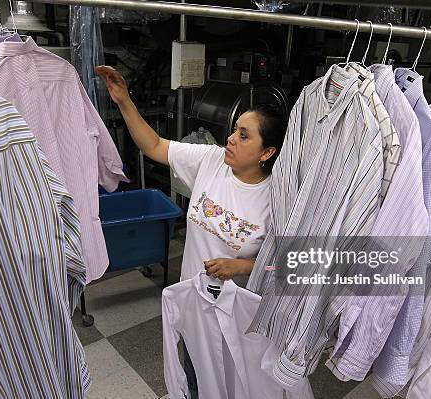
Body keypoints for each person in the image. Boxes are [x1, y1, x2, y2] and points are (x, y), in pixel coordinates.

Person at [95, 65, 287, 396]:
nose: (230, 139)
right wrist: (124, 100)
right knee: (196, 379)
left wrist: (241, 267)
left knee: (236, 384)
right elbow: (154, 145)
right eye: (234, 129)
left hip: (239, 318)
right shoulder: (211, 161)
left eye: (244, 135)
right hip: (194, 304)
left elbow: (287, 264)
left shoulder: (277, 199)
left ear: (266, 153)